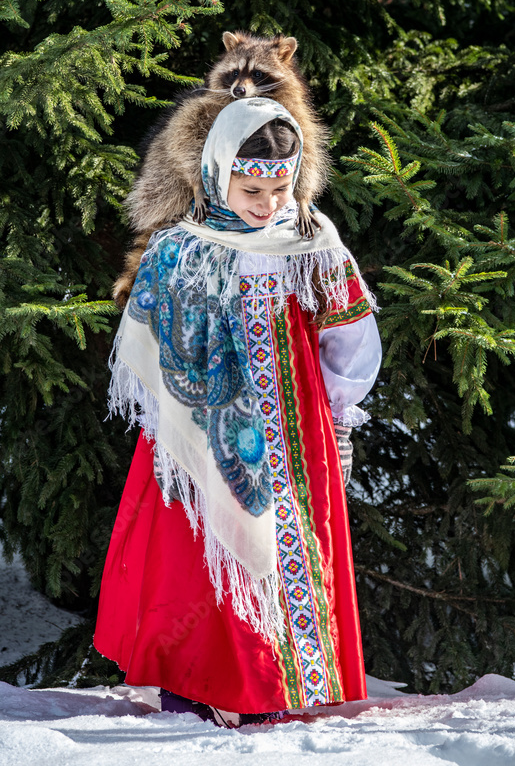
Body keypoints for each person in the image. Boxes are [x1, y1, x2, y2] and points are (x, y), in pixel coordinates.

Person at [93, 97, 381, 727]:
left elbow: (349, 333)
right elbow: (147, 339)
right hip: (199, 429)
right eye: (252, 186)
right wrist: (172, 417)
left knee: (283, 549)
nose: (267, 203)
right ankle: (194, 684)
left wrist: (338, 411)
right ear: (220, 169)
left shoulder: (312, 243)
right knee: (197, 556)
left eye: (281, 187)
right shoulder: (180, 248)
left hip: (290, 430)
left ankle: (277, 686)